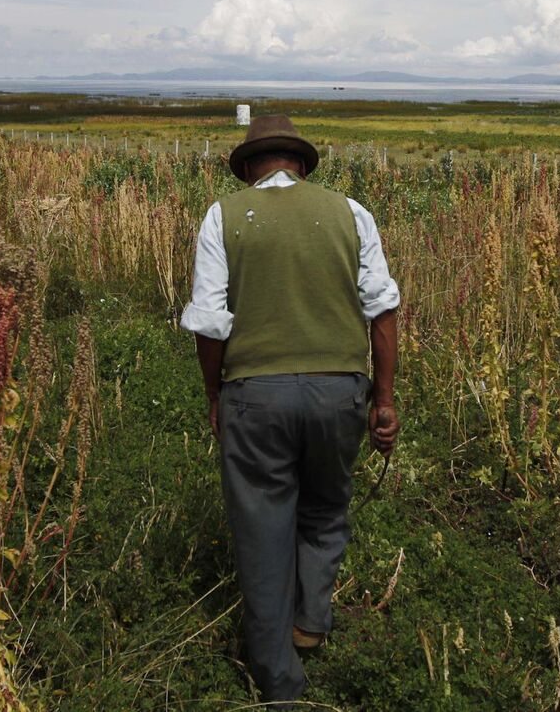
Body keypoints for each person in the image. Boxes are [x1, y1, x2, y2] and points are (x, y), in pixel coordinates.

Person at [179, 114, 402, 704]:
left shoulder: (223, 216)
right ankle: (311, 622)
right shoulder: (351, 213)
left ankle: (279, 682)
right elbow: (382, 311)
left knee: (262, 530)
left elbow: (208, 322)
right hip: (340, 392)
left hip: (256, 396)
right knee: (327, 508)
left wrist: (215, 395)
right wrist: (384, 400)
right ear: (300, 166)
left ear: (251, 169)